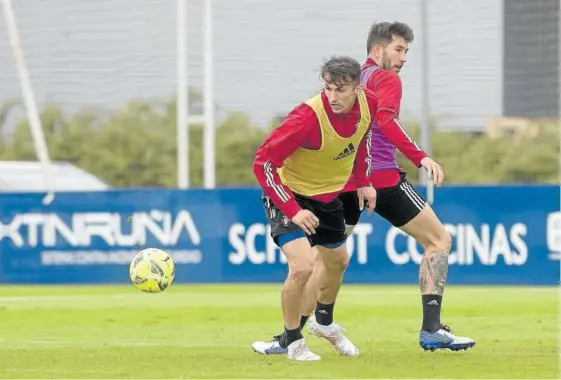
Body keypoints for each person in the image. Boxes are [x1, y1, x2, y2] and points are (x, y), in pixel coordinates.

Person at [252, 21, 475, 356]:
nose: (403, 58)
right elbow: (387, 120)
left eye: (406, 51)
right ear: (377, 49)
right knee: (438, 240)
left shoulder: (361, 81)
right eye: (398, 49)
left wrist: (360, 180)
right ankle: (431, 329)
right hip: (377, 179)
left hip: (345, 183)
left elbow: (360, 139)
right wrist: (420, 157)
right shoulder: (382, 81)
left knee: (329, 260)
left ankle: (298, 332)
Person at [252, 55, 378, 361]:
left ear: (358, 89)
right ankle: (292, 342)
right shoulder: (306, 117)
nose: (332, 97)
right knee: (303, 267)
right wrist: (293, 210)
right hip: (288, 196)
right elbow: (263, 162)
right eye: (328, 89)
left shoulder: (369, 104)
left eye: (340, 90)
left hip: (327, 197)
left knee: (337, 262)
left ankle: (324, 323)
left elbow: (363, 138)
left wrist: (363, 180)